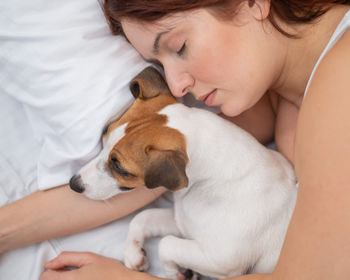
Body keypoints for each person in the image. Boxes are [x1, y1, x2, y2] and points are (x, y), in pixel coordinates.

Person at [25, 0, 350, 279]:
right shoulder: (273, 99)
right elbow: (143, 176)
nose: (177, 86)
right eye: (159, 64)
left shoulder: (340, 85)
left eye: (179, 47)